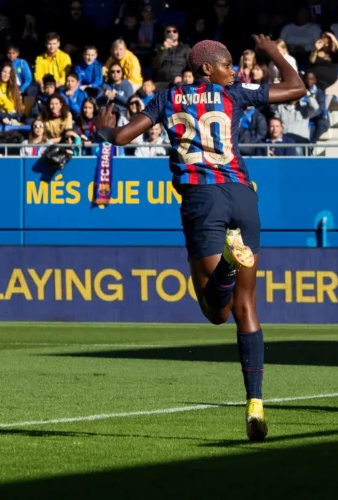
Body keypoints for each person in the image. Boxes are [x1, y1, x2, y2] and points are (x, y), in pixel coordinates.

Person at [96, 35, 306, 443]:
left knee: (216, 312)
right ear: (207, 68)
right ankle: (256, 404)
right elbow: (296, 87)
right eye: (228, 64)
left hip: (202, 200)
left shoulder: (166, 99)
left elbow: (122, 138)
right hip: (244, 197)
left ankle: (229, 260)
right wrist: (276, 53)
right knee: (246, 307)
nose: (235, 70)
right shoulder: (234, 94)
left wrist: (106, 131)